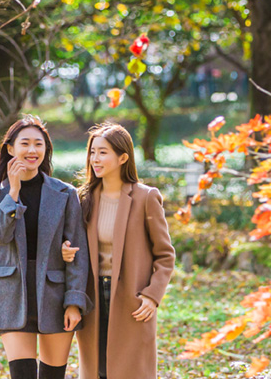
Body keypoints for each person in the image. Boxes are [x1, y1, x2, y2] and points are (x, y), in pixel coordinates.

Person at [0, 116, 91, 379]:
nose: (32, 150)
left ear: (46, 150)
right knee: (22, 374)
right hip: (11, 294)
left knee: (52, 375)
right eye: (24, 143)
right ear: (10, 149)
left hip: (54, 293)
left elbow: (78, 252)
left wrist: (74, 301)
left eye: (39, 144)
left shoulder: (65, 194)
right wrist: (13, 192)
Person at [61, 121, 175, 379]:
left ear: (123, 157)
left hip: (130, 299)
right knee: (97, 369)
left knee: (130, 370)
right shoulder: (83, 199)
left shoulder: (146, 198)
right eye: (92, 152)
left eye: (103, 152)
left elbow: (165, 255)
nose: (94, 159)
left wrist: (151, 296)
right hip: (92, 298)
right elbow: (73, 245)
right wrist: (66, 251)